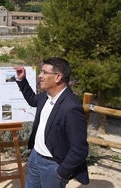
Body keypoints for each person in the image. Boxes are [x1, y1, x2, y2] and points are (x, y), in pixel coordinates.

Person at [13, 57, 89, 188]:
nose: (40, 76)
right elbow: (32, 100)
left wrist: (61, 172)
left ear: (58, 77)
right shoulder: (46, 96)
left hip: (53, 165)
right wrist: (22, 79)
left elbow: (80, 149)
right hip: (35, 158)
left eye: (44, 72)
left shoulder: (71, 106)